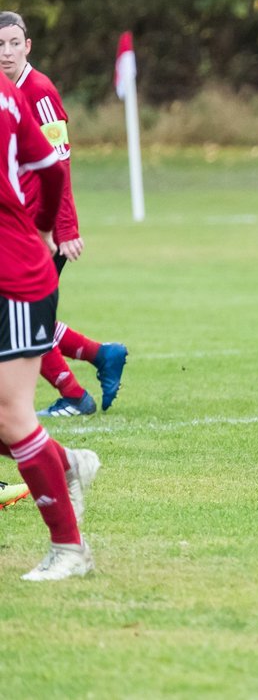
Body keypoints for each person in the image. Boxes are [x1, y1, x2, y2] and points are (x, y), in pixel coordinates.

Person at [0, 11, 128, 418]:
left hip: (41, 231)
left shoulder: (38, 92)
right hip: (17, 230)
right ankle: (100, 355)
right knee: (21, 317)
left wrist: (63, 228)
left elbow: (61, 164)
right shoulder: (6, 93)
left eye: (14, 43)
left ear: (28, 46)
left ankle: (75, 393)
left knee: (20, 319)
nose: (6, 53)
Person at [0, 70, 100, 580]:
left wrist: (44, 227)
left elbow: (55, 164)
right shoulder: (10, 94)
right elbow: (49, 168)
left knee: (10, 415)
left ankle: (70, 550)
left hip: (13, 276)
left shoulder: (20, 94)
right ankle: (66, 461)